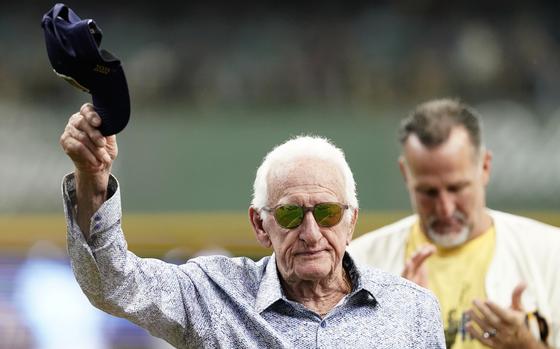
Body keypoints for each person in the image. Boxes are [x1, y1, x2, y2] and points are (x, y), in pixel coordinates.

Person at [59, 103, 445, 348]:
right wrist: (91, 177)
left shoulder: (412, 309)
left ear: (351, 221)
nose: (311, 234)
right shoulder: (213, 296)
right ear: (260, 226)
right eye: (291, 216)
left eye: (326, 214)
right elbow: (113, 283)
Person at [348, 98, 560, 349]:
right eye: (428, 192)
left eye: (457, 188)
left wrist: (526, 345)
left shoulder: (551, 254)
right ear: (406, 174)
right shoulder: (358, 264)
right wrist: (396, 330)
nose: (445, 208)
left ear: (485, 167)